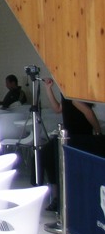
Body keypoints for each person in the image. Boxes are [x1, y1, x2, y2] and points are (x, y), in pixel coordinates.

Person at [41, 78, 101, 210]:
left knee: (49, 153)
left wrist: (98, 132)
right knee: (48, 154)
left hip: (79, 137)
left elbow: (88, 112)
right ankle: (56, 197)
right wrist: (48, 89)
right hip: (68, 136)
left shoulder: (75, 95)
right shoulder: (66, 94)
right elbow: (58, 109)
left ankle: (58, 198)